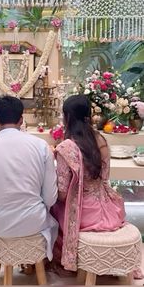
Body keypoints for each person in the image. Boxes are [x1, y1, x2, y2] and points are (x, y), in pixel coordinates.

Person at [0, 95, 58, 272]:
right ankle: (35, 260)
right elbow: (50, 199)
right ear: (21, 120)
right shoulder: (41, 147)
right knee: (46, 212)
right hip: (33, 223)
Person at [51, 95, 125, 272]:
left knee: (49, 211)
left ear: (67, 117)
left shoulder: (66, 148)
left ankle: (64, 262)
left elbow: (62, 194)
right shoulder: (101, 140)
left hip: (82, 215)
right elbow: (105, 178)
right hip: (108, 210)